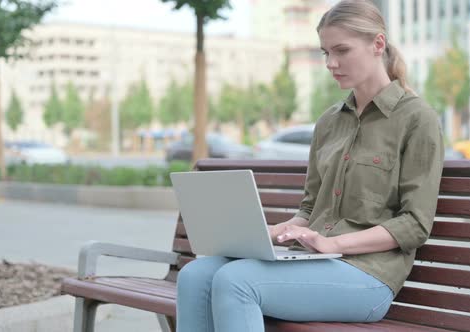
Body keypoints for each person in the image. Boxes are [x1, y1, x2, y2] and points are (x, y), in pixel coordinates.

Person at [176, 0, 444, 331]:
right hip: (314, 261)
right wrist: (277, 232)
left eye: (341, 50)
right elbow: (310, 207)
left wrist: (334, 244)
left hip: (369, 275)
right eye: (325, 52)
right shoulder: (330, 122)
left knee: (236, 281)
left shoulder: (417, 119)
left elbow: (415, 224)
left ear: (378, 44)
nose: (331, 63)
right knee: (195, 275)